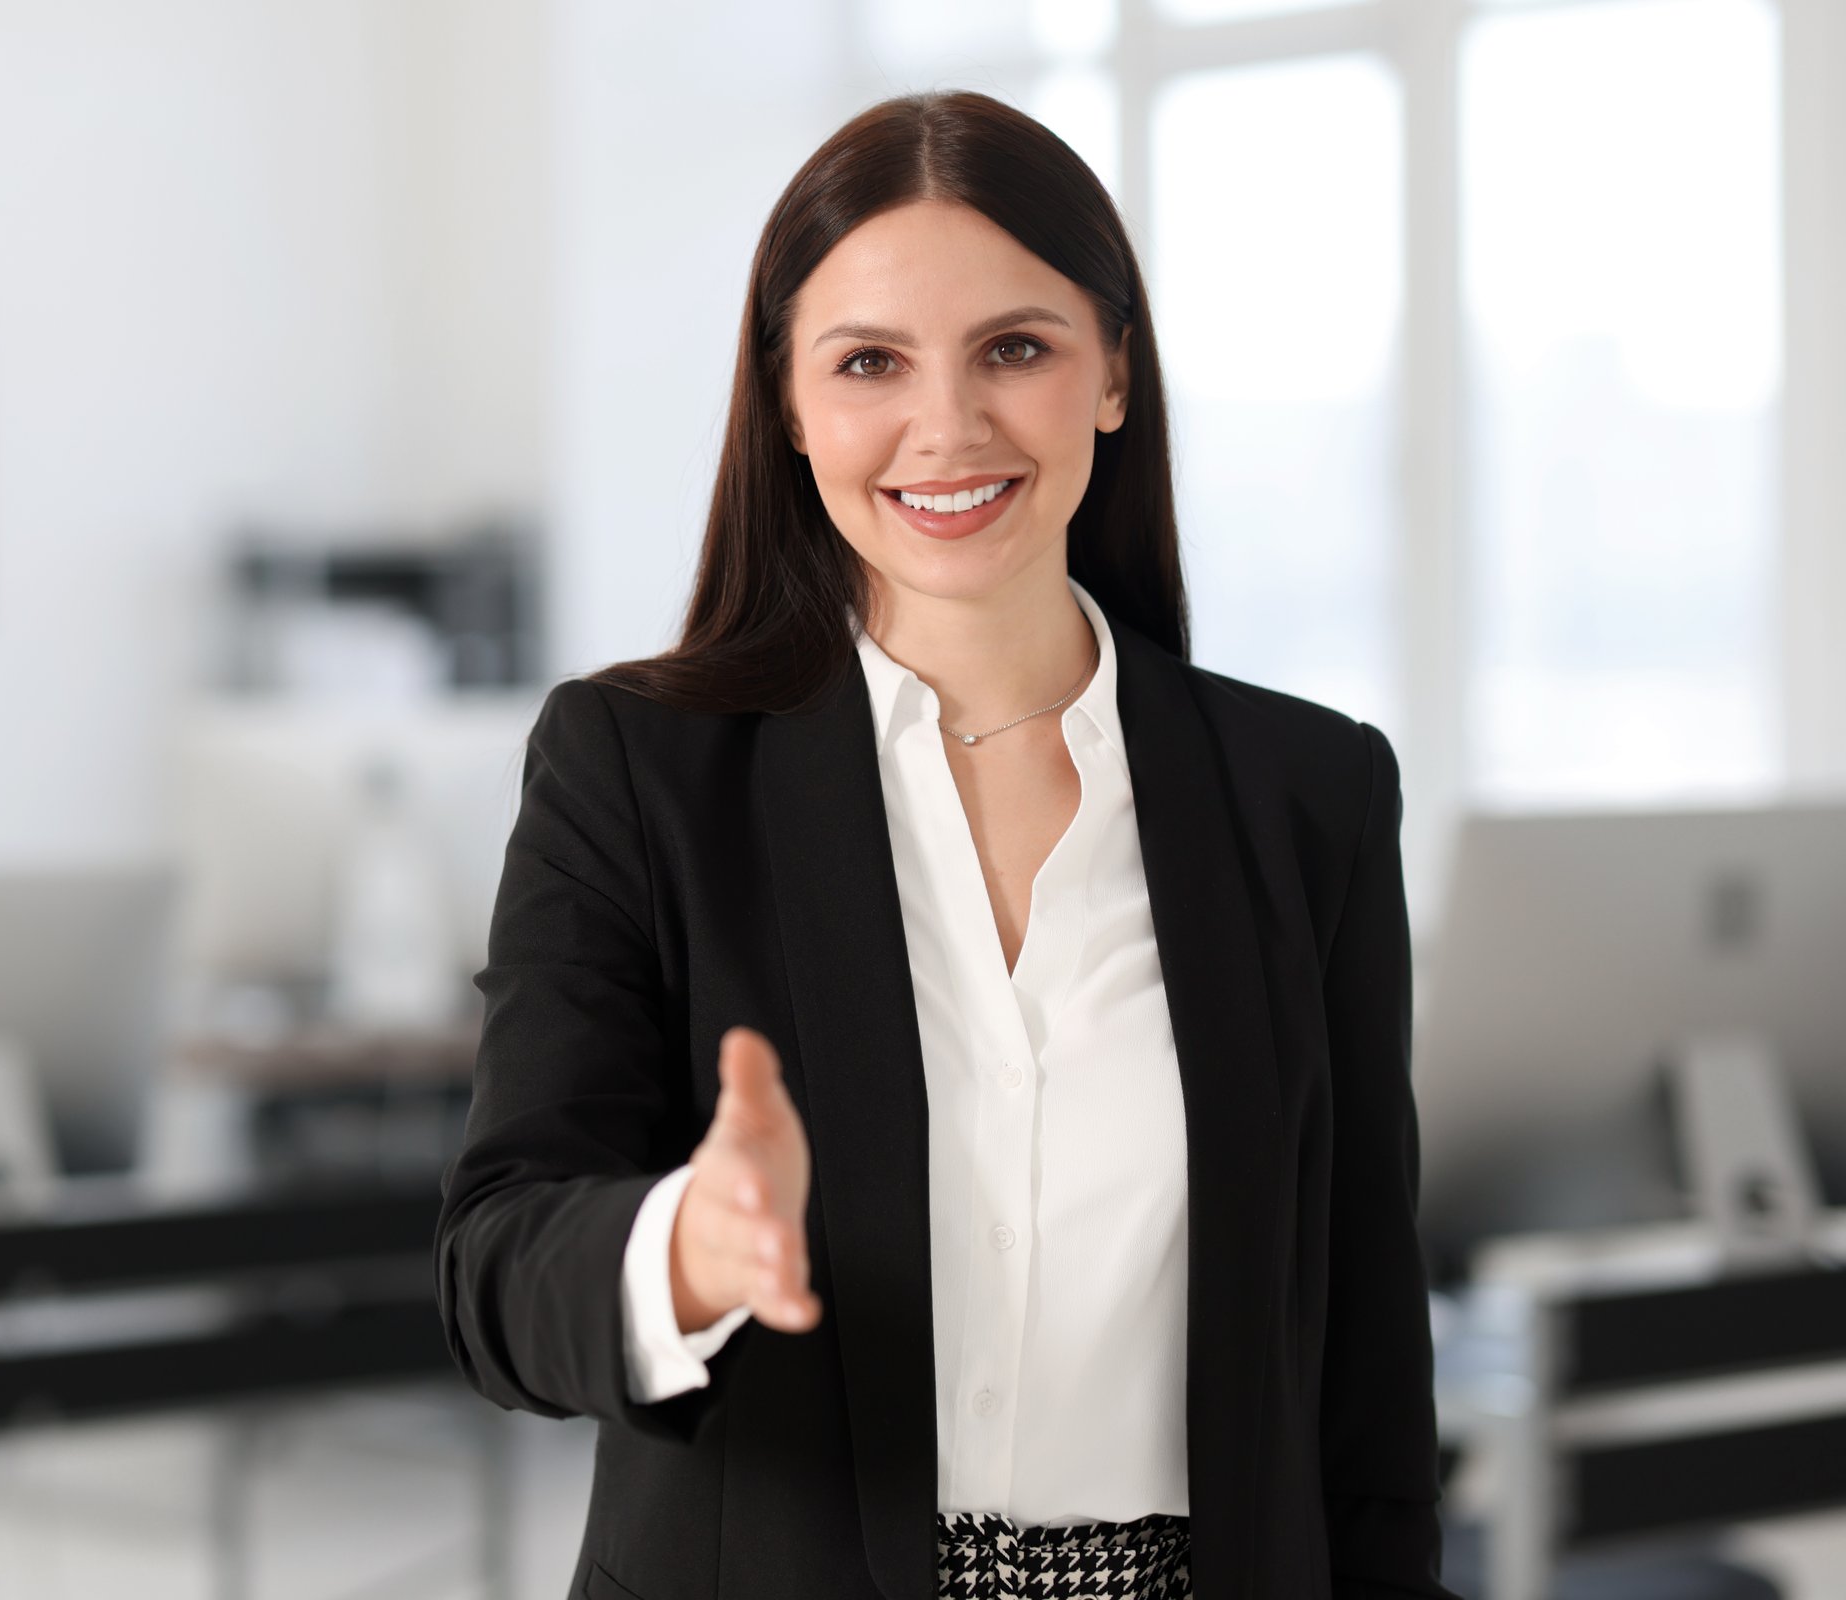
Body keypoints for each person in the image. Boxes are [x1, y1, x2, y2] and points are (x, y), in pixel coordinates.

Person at [433, 90, 1457, 1600]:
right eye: (869, 363)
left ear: (1115, 370)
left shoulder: (1310, 795)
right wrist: (687, 1248)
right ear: (789, 406)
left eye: (1015, 349)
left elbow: (1365, 1356)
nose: (949, 427)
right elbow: (497, 1271)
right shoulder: (636, 771)